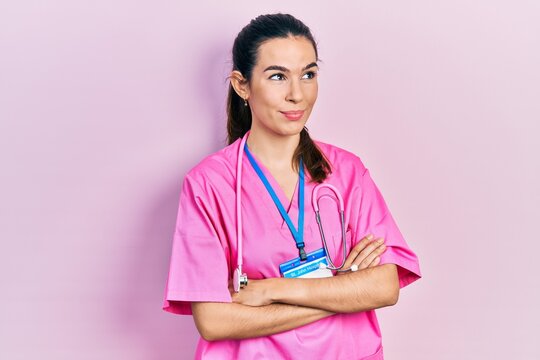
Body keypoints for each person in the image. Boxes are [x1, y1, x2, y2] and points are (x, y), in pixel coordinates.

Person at [163, 13, 421, 360]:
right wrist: (341, 290)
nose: (297, 94)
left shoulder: (346, 172)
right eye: (278, 76)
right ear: (242, 85)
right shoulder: (208, 184)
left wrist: (271, 290)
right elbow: (214, 320)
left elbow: (384, 287)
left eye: (308, 74)